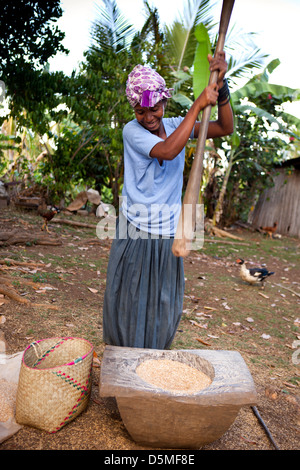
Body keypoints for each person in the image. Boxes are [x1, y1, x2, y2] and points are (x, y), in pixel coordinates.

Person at [102, 52, 233, 350]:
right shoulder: (131, 132)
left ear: (163, 102)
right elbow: (167, 151)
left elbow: (225, 128)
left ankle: (152, 365)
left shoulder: (176, 124)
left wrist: (221, 88)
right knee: (129, 302)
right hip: (135, 233)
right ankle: (124, 366)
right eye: (140, 110)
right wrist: (198, 106)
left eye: (154, 108)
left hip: (168, 235)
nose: (148, 117)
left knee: (162, 305)